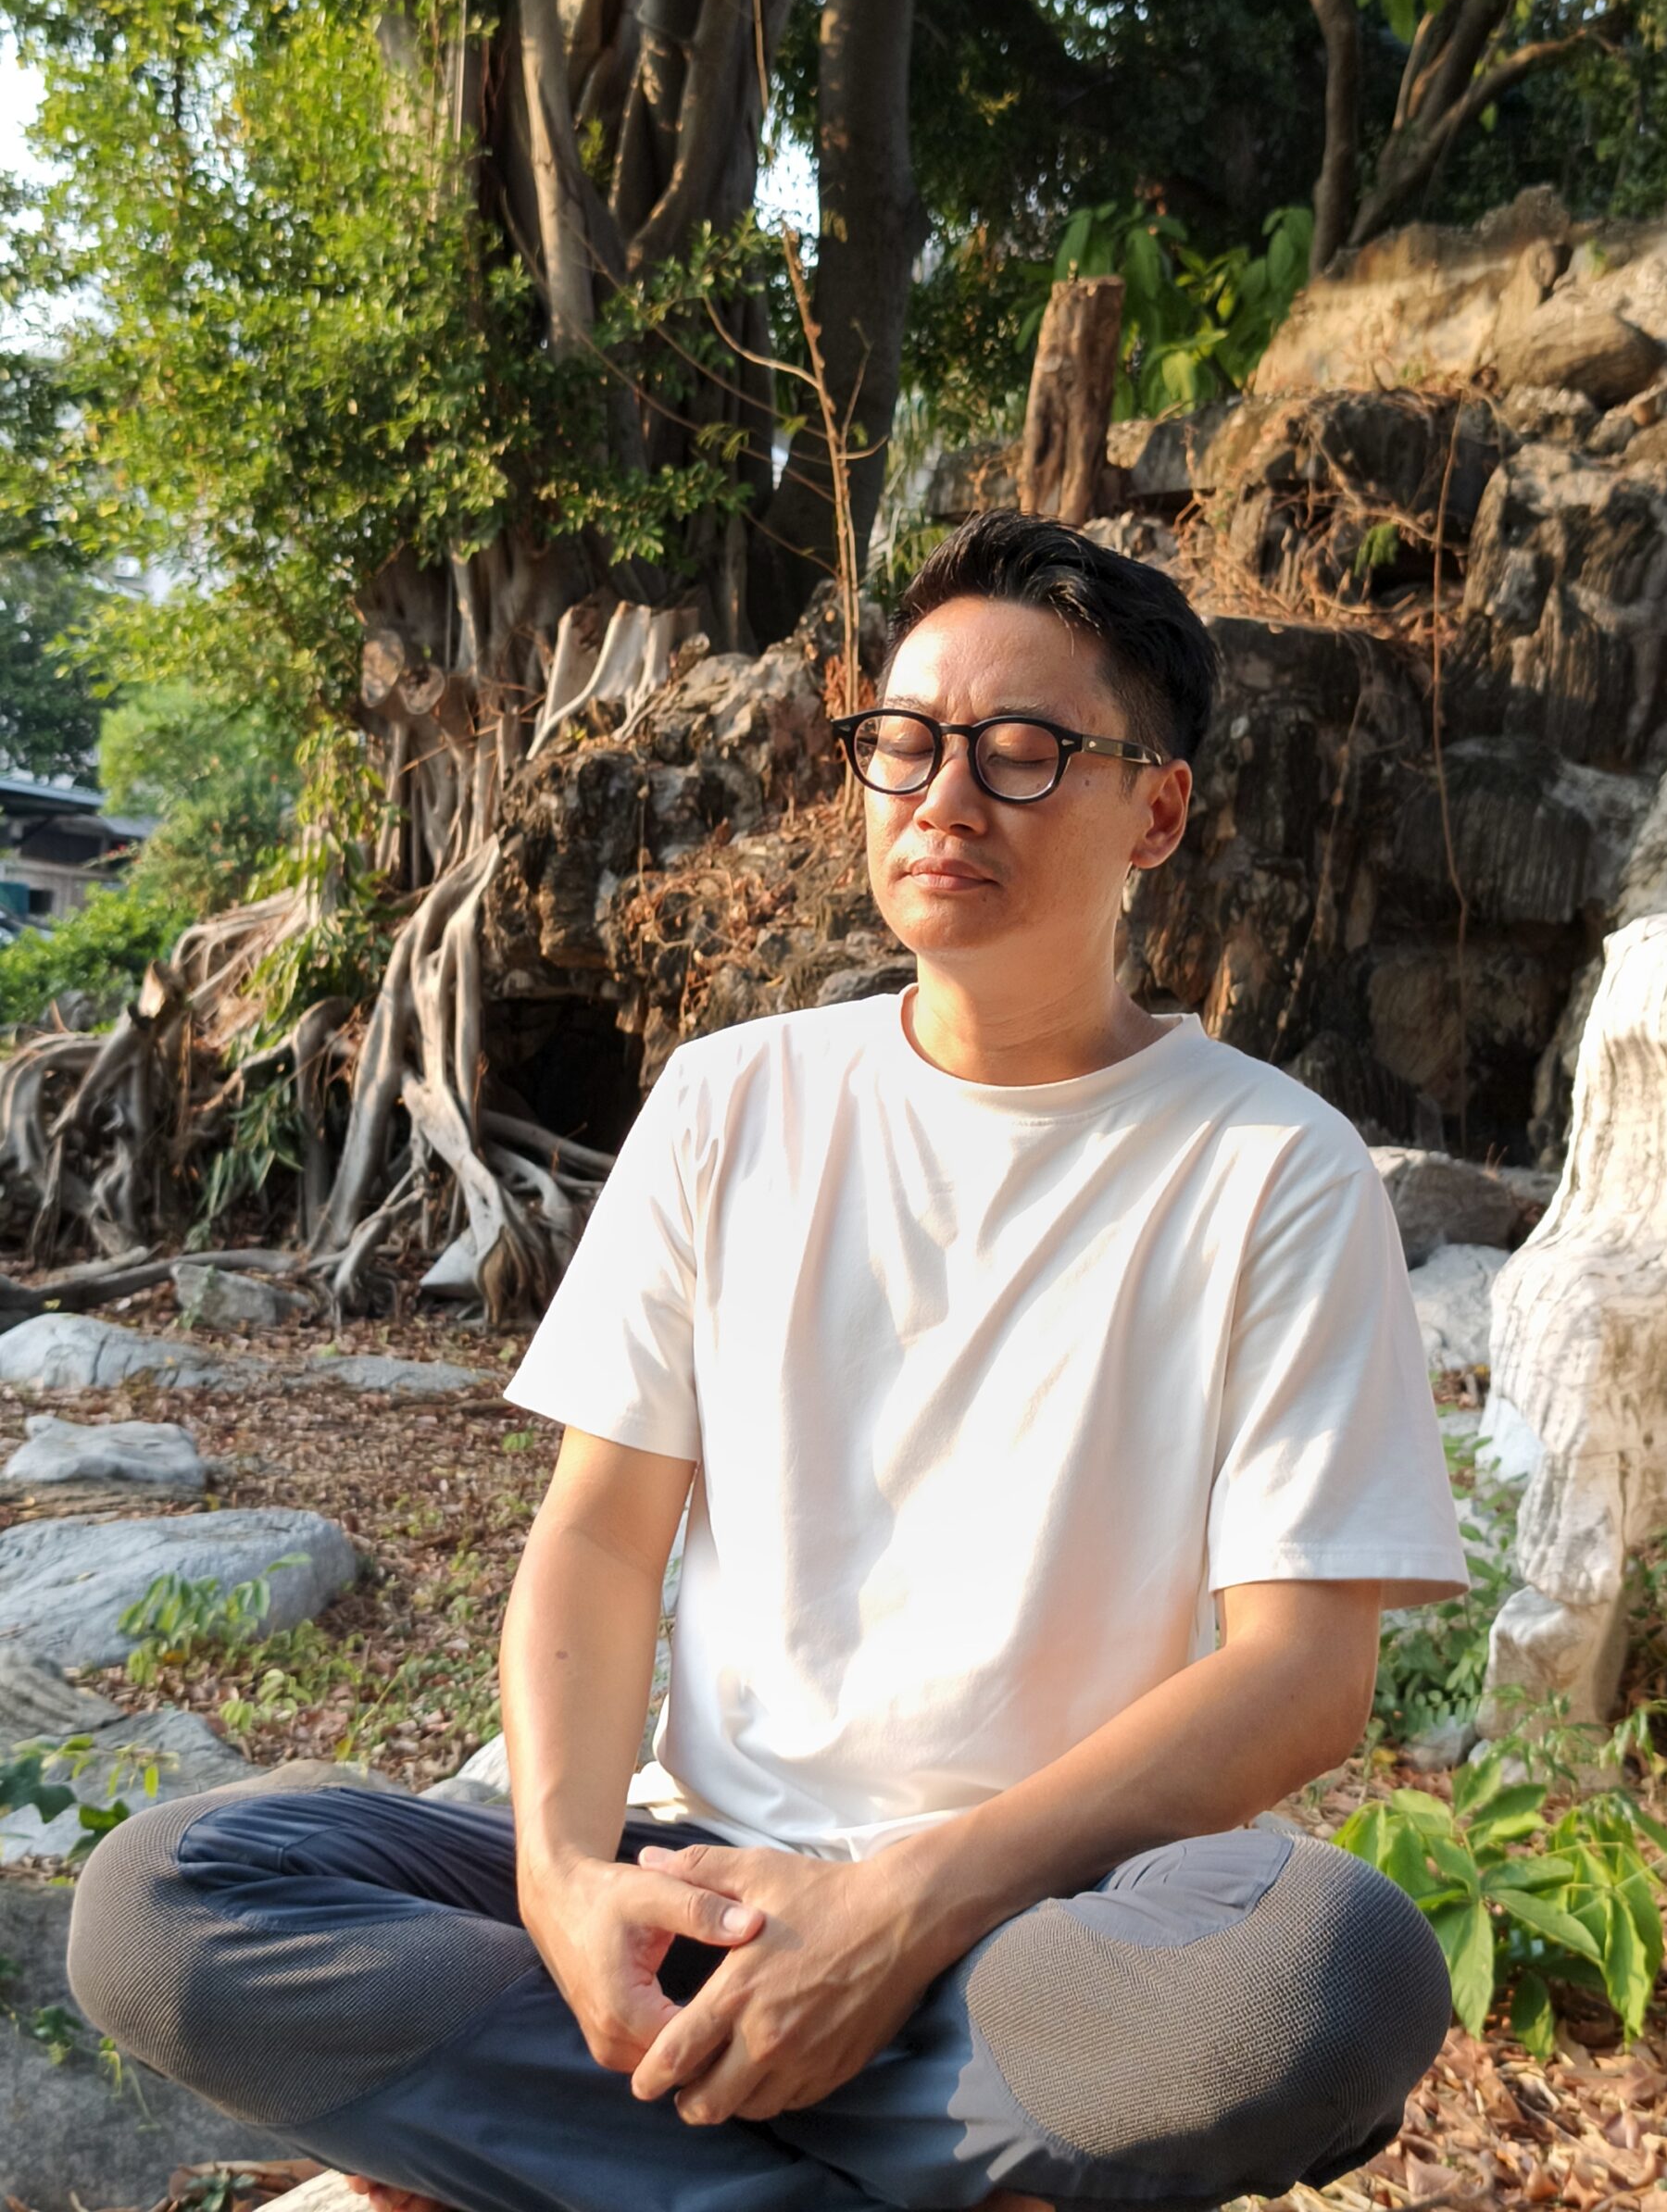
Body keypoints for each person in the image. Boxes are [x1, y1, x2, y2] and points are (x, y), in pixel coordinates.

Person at [69, 511, 1470, 2212]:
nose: (946, 796)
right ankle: (847, 2168)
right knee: (168, 1903)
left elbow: (1304, 1680)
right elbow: (596, 1535)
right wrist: (572, 1884)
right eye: (905, 743)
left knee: (1336, 1972)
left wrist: (904, 1912)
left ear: (1155, 809)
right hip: (705, 1896)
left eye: (1026, 755)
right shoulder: (735, 1101)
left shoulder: (1271, 1167)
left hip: (1042, 1927)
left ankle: (642, 2158)